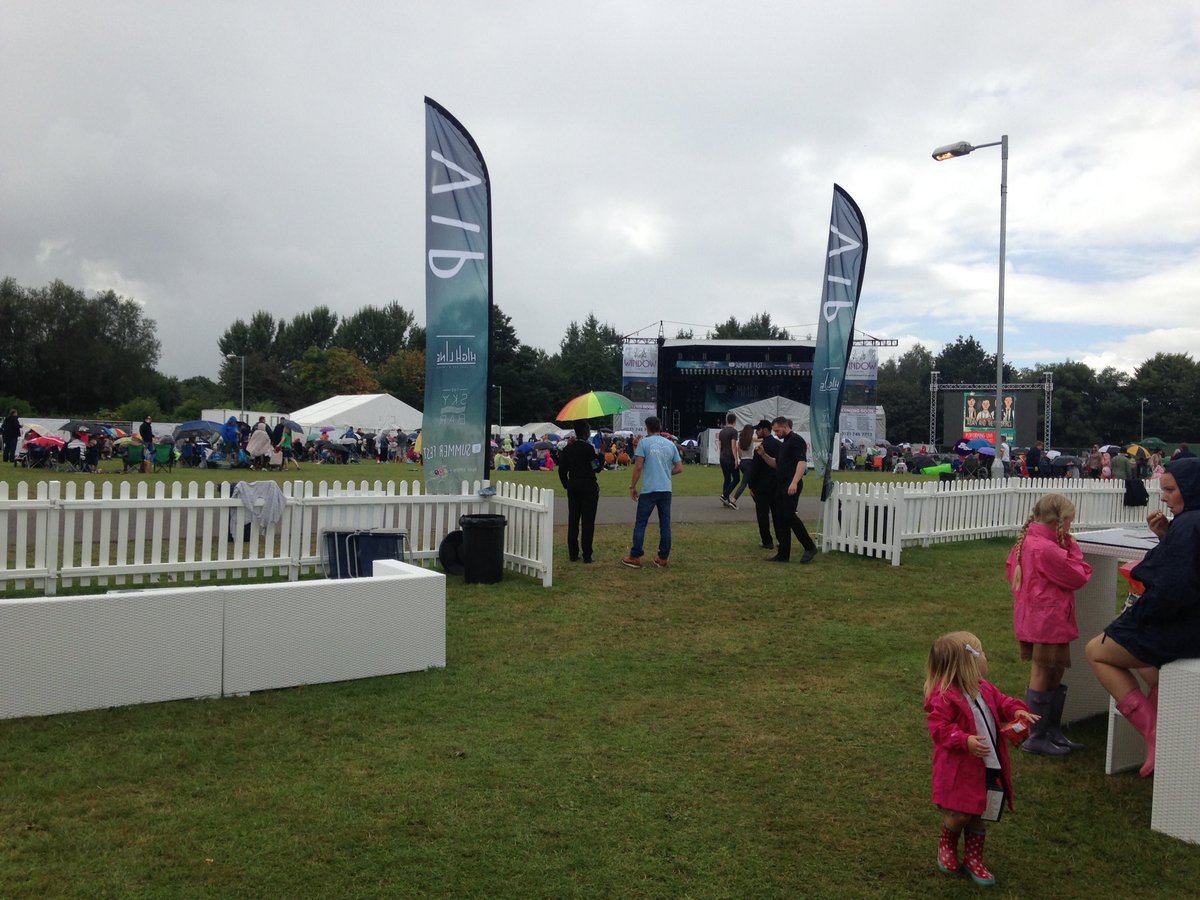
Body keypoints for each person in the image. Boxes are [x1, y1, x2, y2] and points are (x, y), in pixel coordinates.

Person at [1085, 458, 1200, 777]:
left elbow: (1174, 589)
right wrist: (1166, 535)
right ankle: (1164, 709)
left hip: (1185, 628)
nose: (1164, 497)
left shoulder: (1189, 525)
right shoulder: (1189, 523)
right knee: (1135, 649)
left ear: (1190, 488)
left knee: (1096, 651)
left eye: (1171, 490)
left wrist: (1136, 616)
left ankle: (1155, 734)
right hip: (1190, 622)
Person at [925, 632, 1036, 886]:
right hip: (961, 770)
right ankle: (947, 844)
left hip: (987, 765)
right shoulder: (945, 696)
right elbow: (939, 728)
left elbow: (1003, 702)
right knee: (960, 813)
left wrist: (1017, 710)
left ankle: (974, 858)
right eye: (981, 653)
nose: (986, 657)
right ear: (967, 664)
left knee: (980, 813)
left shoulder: (984, 687)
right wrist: (965, 740)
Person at [1007, 494, 1093, 756]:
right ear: (1058, 521)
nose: (1070, 527)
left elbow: (1012, 572)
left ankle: (1049, 730)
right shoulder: (1046, 549)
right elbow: (1078, 575)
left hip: (1039, 618)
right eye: (1068, 521)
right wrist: (1073, 548)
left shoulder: (1027, 543)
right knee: (1044, 672)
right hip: (1048, 620)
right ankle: (1036, 735)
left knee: (1054, 670)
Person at [622, 416, 682, 569]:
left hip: (649, 489)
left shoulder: (644, 443)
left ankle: (635, 556)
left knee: (641, 523)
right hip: (666, 489)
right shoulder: (670, 444)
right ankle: (663, 557)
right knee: (665, 524)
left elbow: (638, 467)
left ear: (647, 428)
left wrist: (632, 486)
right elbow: (679, 468)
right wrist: (666, 472)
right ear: (660, 427)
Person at [760, 416, 818, 563]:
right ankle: (783, 554)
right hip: (781, 485)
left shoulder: (796, 441)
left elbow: (802, 462)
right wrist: (763, 455)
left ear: (785, 427)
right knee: (780, 519)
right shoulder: (784, 444)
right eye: (774, 431)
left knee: (789, 516)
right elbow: (776, 464)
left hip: (791, 484)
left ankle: (809, 546)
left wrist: (794, 482)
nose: (776, 434)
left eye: (777, 431)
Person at [559, 425, 600, 564]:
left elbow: (562, 470)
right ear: (586, 433)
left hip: (573, 485)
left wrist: (567, 484)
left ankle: (573, 553)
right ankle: (587, 554)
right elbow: (596, 467)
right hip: (588, 485)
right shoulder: (589, 448)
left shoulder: (567, 449)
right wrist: (601, 454)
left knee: (573, 520)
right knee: (588, 522)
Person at [747, 419, 778, 550]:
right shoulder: (779, 445)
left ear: (765, 429)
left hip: (762, 486)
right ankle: (782, 539)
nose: (756, 432)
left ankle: (767, 541)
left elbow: (755, 469)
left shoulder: (760, 448)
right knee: (777, 514)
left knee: (762, 514)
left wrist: (751, 486)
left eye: (758, 429)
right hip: (777, 485)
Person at [727, 422, 756, 510]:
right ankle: (733, 501)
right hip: (749, 462)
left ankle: (759, 504)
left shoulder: (740, 440)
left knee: (751, 485)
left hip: (742, 462)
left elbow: (739, 454)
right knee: (744, 484)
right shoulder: (751, 440)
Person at [717, 413, 740, 508]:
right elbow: (733, 446)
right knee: (736, 479)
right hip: (730, 457)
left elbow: (720, 446)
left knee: (727, 478)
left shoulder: (722, 432)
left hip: (722, 457)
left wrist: (720, 457)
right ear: (734, 421)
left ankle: (725, 499)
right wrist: (736, 459)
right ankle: (725, 495)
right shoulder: (734, 432)